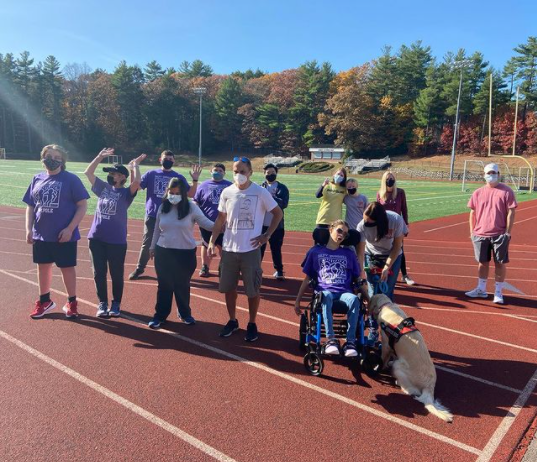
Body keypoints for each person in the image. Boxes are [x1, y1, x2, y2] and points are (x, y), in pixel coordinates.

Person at [208, 157, 283, 342]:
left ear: (250, 172)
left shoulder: (260, 192)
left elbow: (277, 213)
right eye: (235, 171)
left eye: (242, 171)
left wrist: (267, 235)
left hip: (250, 250)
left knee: (253, 290)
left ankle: (252, 323)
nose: (238, 175)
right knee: (229, 288)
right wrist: (212, 241)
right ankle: (232, 321)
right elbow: (220, 219)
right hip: (229, 249)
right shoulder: (227, 192)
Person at [24, 144, 90, 319]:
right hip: (41, 233)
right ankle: (45, 301)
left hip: (64, 235)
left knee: (67, 268)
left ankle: (72, 302)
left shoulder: (71, 180)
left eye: (56, 157)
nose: (52, 160)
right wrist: (28, 229)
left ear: (62, 161)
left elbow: (82, 205)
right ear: (43, 157)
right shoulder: (36, 178)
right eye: (49, 156)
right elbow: (31, 206)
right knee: (43, 267)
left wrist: (70, 228)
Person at [84, 148, 145, 318]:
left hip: (116, 241)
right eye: (110, 173)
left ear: (122, 177)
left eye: (114, 173)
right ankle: (102, 303)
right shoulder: (103, 188)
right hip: (96, 238)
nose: (111, 175)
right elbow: (88, 172)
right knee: (98, 272)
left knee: (116, 274)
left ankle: (116, 303)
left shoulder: (126, 193)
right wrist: (99, 156)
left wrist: (135, 166)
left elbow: (137, 182)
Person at [147, 177, 215, 329]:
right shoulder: (163, 206)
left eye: (177, 193)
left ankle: (185, 314)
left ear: (183, 193)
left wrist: (221, 225)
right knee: (164, 285)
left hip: (185, 253)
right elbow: (157, 228)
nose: (173, 195)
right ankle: (160, 316)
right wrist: (152, 247)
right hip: (163, 251)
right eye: (171, 192)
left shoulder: (191, 207)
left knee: (182, 285)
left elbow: (206, 223)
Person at [294, 220, 368, 357]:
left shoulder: (349, 254)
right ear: (330, 229)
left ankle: (350, 342)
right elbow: (307, 278)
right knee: (326, 296)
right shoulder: (315, 252)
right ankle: (330, 340)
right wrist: (297, 301)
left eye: (345, 234)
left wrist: (369, 301)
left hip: (344, 293)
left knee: (354, 299)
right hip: (324, 292)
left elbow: (358, 280)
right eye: (339, 231)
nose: (341, 235)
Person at [129, 150, 202, 280]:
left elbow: (190, 194)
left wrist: (195, 180)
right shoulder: (151, 174)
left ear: (174, 161)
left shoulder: (178, 177)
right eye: (165, 158)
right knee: (147, 243)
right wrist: (133, 169)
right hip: (152, 215)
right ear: (160, 159)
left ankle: (172, 271)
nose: (168, 160)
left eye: (170, 158)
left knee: (172, 244)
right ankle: (140, 268)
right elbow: (136, 187)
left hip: (172, 216)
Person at [465, 163, 517, 305]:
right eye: (488, 173)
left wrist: (507, 232)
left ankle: (498, 292)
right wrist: (472, 231)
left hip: (499, 234)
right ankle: (481, 289)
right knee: (482, 263)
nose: (491, 175)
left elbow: (511, 212)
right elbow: (472, 213)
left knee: (499, 263)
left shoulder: (507, 192)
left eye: (494, 172)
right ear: (484, 175)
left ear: (499, 174)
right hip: (480, 234)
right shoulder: (477, 192)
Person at [356, 202, 407, 342]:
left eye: (370, 222)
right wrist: (360, 272)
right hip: (371, 255)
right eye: (365, 220)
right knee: (373, 294)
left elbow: (397, 246)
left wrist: (387, 267)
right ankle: (373, 329)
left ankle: (388, 329)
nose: (366, 223)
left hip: (392, 256)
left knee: (387, 293)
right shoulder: (361, 226)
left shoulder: (395, 220)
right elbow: (360, 252)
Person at [193, 163, 232, 277]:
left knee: (224, 246)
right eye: (215, 170)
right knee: (206, 244)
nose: (218, 172)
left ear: (224, 173)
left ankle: (224, 267)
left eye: (220, 170)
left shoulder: (230, 186)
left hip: (225, 223)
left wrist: (228, 220)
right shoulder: (203, 185)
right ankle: (205, 266)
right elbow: (196, 201)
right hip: (206, 222)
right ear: (211, 171)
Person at [377, 171, 414, 286]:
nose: (390, 180)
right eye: (388, 178)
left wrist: (406, 224)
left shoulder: (400, 192)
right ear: (384, 180)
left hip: (397, 226)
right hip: (384, 226)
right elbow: (378, 211)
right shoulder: (380, 193)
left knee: (399, 249)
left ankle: (404, 275)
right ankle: (384, 273)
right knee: (384, 250)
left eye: (392, 178)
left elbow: (404, 209)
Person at [260, 163, 289, 280]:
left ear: (276, 173)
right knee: (258, 249)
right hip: (261, 225)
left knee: (276, 249)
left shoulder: (282, 188)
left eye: (273, 173)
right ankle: (256, 268)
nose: (270, 175)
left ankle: (279, 271)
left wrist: (268, 196)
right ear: (264, 174)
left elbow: (283, 203)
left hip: (277, 226)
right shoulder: (260, 187)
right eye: (268, 173)